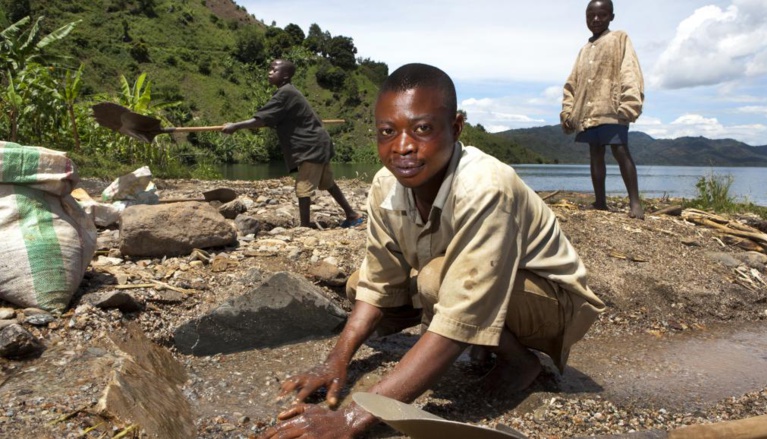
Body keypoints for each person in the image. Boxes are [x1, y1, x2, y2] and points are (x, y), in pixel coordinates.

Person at [257, 63, 606, 439]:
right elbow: (378, 283)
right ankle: (485, 342)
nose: (403, 146)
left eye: (422, 129)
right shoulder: (385, 185)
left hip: (554, 307)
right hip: (479, 288)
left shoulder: (485, 186)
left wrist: (351, 418)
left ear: (455, 128)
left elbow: (459, 306)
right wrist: (335, 362)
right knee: (359, 285)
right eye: (387, 132)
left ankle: (521, 363)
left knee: (435, 281)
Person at [222, 59, 363, 228]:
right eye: (270, 69)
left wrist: (235, 126)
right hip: (319, 143)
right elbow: (269, 119)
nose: (270, 72)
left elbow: (262, 119)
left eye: (275, 70)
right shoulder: (288, 92)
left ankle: (304, 226)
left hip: (311, 145)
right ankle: (352, 214)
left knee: (303, 187)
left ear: (286, 75)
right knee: (328, 183)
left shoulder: (285, 93)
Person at [560, 0, 645, 219]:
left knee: (620, 150)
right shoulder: (584, 50)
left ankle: (635, 204)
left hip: (612, 107)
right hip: (589, 113)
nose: (596, 20)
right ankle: (600, 202)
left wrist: (629, 103)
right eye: (591, 16)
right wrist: (568, 112)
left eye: (602, 15)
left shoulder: (619, 39)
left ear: (611, 17)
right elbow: (572, 84)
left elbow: (629, 70)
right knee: (595, 153)